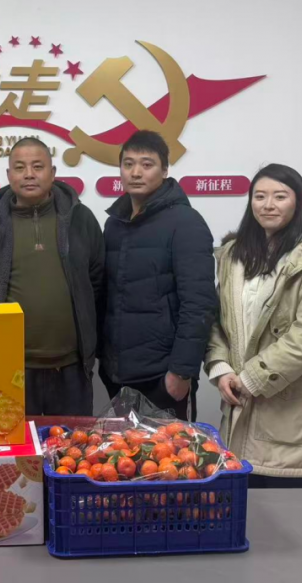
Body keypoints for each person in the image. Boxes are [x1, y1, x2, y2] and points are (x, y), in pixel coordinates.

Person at [205, 164, 302, 489]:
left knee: (290, 510)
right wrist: (220, 368)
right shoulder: (232, 256)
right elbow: (216, 319)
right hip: (239, 402)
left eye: (280, 196)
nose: (268, 205)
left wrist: (251, 379)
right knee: (243, 507)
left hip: (293, 412)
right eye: (260, 196)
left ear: (298, 202)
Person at [0, 138, 104, 416]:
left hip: (72, 368)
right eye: (20, 167)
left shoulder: (80, 219)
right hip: (11, 368)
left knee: (72, 443)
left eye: (38, 166)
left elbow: (96, 281)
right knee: (15, 444)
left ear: (53, 172)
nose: (29, 174)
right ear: (8, 175)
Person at [99, 130, 217, 420]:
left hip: (163, 376)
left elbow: (199, 304)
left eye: (146, 164)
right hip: (117, 373)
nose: (136, 172)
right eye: (128, 164)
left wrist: (181, 371)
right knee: (120, 450)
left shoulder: (186, 222)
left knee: (166, 451)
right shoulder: (114, 224)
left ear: (164, 170)